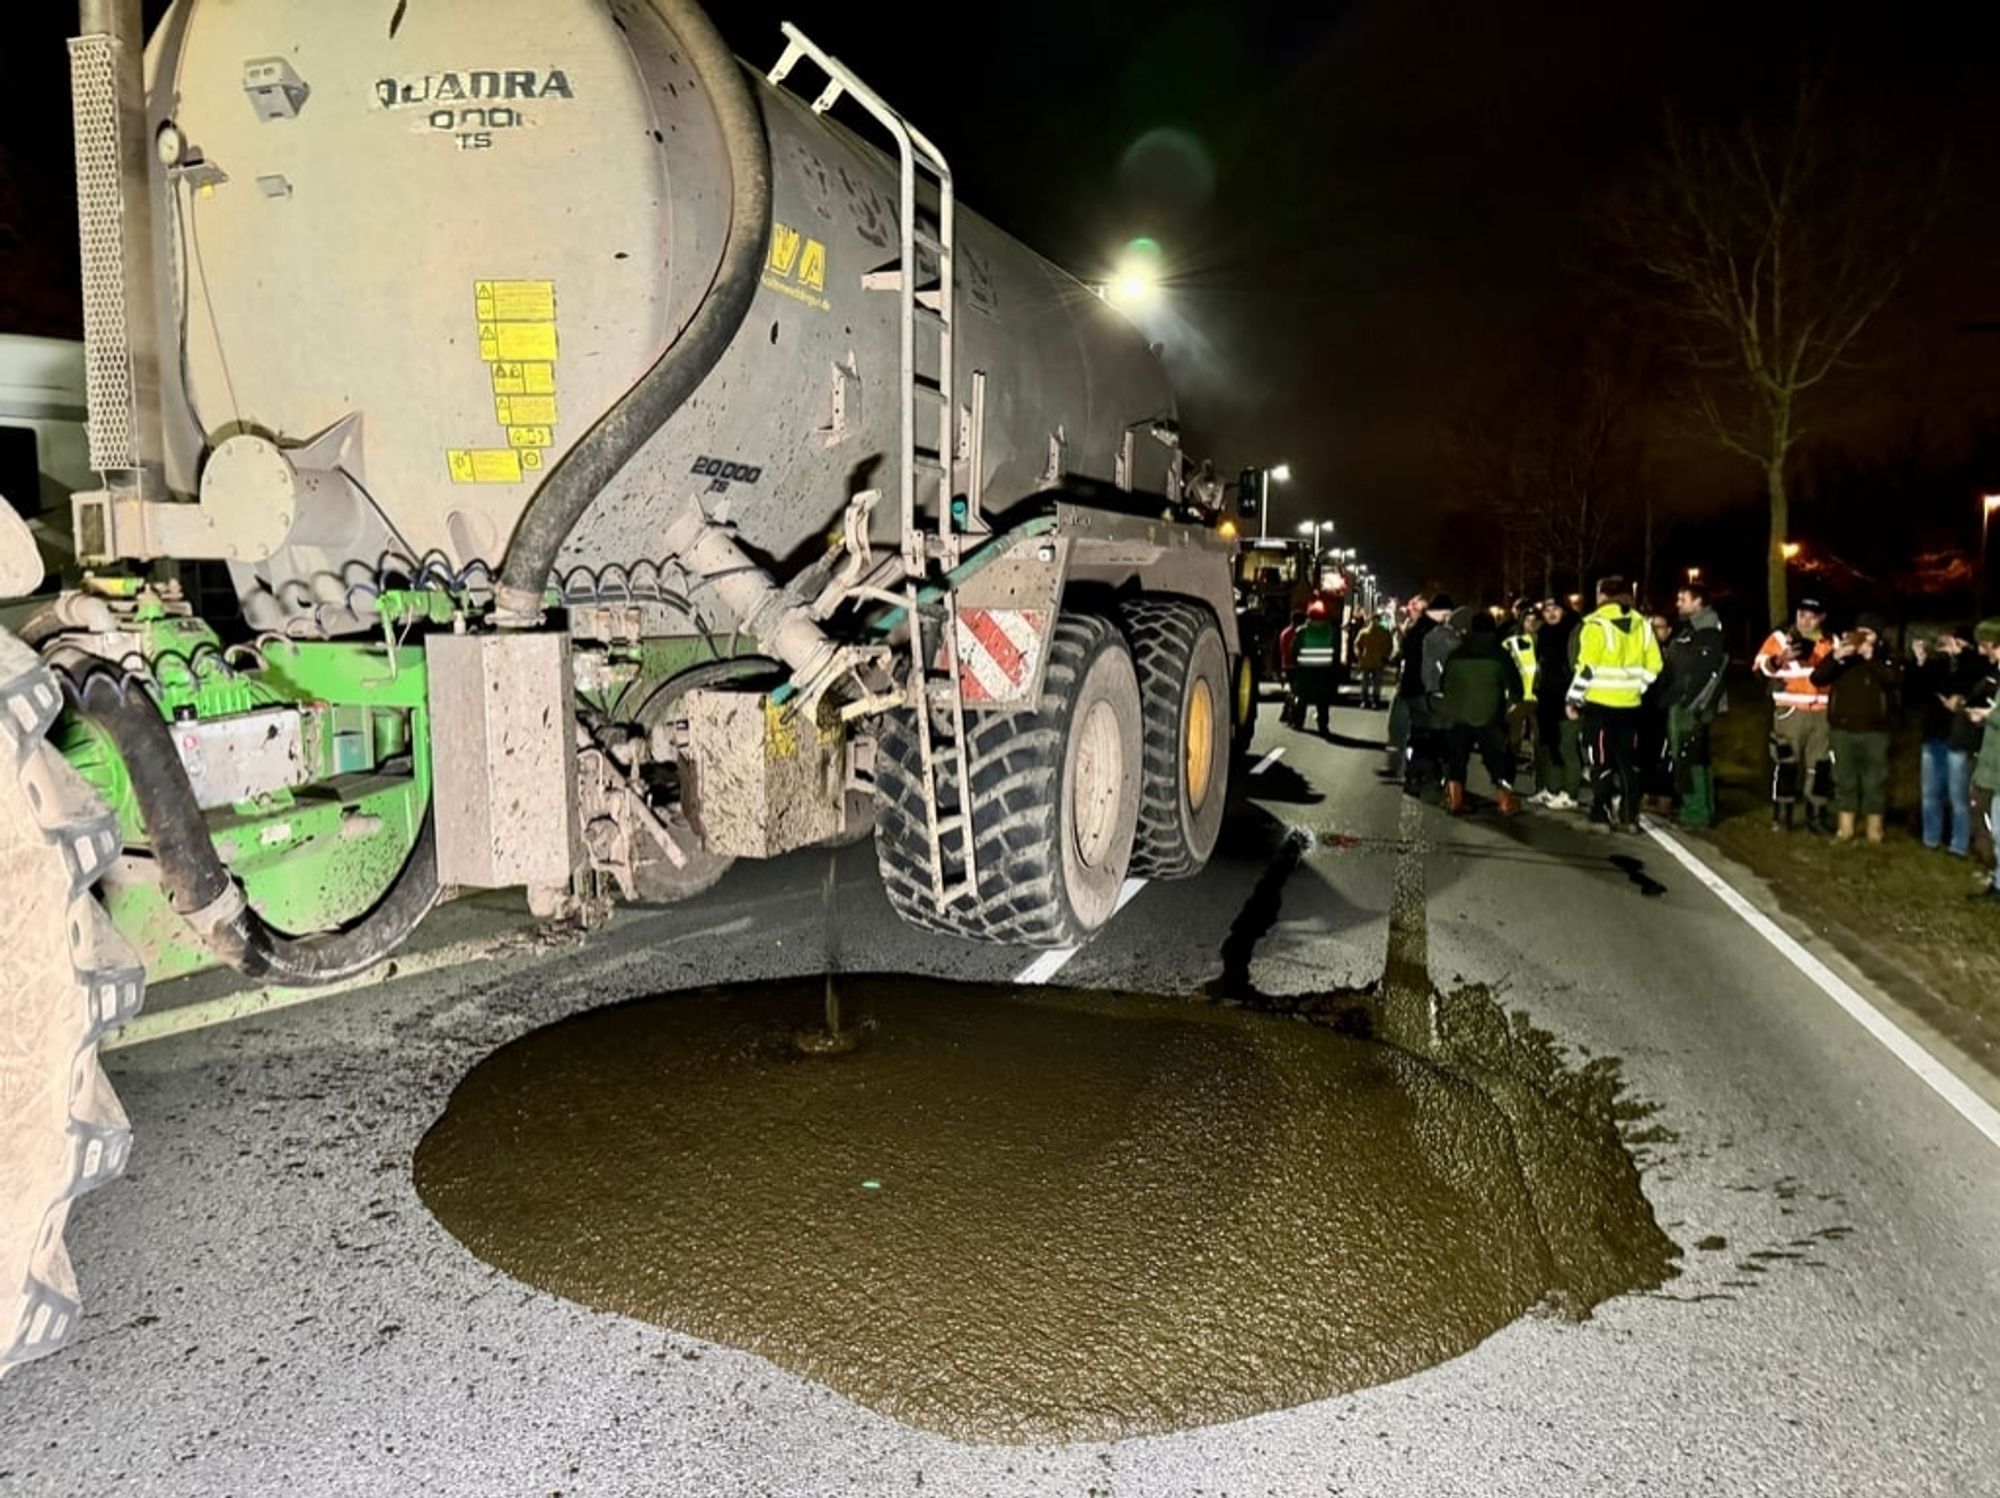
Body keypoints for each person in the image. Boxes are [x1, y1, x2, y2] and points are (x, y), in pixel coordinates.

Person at [1566, 575, 1662, 834]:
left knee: (1601, 761)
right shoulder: (1642, 625)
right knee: (1628, 762)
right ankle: (1630, 817)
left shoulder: (1596, 624)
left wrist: (1574, 699)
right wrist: (1637, 687)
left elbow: (1586, 668)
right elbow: (1655, 665)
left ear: (1603, 596)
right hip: (1630, 706)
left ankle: (1601, 815)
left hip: (1599, 705)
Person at [1810, 621, 1902, 844]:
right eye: (1858, 632)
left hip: (1875, 731)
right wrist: (1836, 656)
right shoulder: (1843, 658)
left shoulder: (1886, 656)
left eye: (1867, 633)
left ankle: (1874, 831)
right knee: (1844, 780)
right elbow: (1817, 678)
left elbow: (1894, 679)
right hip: (1843, 730)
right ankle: (1845, 830)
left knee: (1875, 782)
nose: (1861, 638)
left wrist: (1870, 657)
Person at [1755, 597, 1835, 833]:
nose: (1805, 621)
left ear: (1821, 618)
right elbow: (1759, 670)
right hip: (1790, 713)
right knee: (1786, 762)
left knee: (1820, 767)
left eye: (1811, 616)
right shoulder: (1779, 639)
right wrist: (1780, 659)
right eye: (1801, 615)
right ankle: (1782, 816)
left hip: (1821, 713)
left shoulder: (1831, 641)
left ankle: (1816, 816)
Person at [1440, 611, 1523, 816]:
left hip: (1458, 715)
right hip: (1489, 715)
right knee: (1496, 759)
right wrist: (1513, 702)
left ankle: (1455, 799)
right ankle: (1504, 800)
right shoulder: (1499, 654)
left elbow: (1444, 683)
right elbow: (1515, 686)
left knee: (1457, 758)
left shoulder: (1457, 654)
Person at [1660, 582, 1728, 829]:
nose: (1678, 603)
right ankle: (1702, 807)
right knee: (1695, 756)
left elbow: (1705, 673)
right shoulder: (1692, 628)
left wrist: (1689, 701)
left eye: (1683, 599)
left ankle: (1695, 811)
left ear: (1698, 601)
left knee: (1689, 756)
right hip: (1686, 701)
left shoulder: (1708, 630)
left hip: (1692, 705)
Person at [1911, 626, 1978, 857]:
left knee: (1958, 795)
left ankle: (1958, 845)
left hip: (1958, 738)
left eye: (1956, 642)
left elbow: (1966, 686)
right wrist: (1921, 661)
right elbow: (1917, 693)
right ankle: (1931, 838)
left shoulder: (1973, 665)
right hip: (1933, 735)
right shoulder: (1937, 665)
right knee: (1930, 792)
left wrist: (1960, 655)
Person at [1531, 598, 1583, 809]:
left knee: (1567, 746)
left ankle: (1570, 793)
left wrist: (1577, 698)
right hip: (1547, 697)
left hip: (1568, 696)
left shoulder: (1574, 632)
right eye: (1547, 610)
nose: (1551, 613)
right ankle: (1552, 788)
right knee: (1550, 745)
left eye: (1556, 609)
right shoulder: (1542, 634)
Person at [1967, 619, 2000, 904]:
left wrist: (1987, 716)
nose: (1984, 651)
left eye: (1987, 645)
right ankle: (1997, 882)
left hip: (1997, 768)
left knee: (1997, 827)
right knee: (1995, 827)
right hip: (1991, 762)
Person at [1384, 594, 1430, 778]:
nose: (1409, 614)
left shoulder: (1415, 632)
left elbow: (1403, 656)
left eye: (1412, 610)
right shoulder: (1433, 631)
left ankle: (1396, 767)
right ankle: (1416, 771)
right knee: (1419, 733)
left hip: (1411, 688)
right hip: (1422, 689)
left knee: (1398, 728)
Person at [1638, 611, 1677, 814]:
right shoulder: (1642, 653)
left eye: (1659, 627)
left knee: (1664, 756)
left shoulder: (1672, 653)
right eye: (1650, 627)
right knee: (1645, 753)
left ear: (1668, 631)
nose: (1653, 631)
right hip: (1645, 711)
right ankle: (1647, 791)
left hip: (1665, 711)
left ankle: (1664, 798)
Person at [1501, 599, 1539, 784]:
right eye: (1528, 619)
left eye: (1535, 619)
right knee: (1512, 742)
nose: (1531, 623)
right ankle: (1507, 782)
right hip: (1518, 697)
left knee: (1539, 744)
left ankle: (1541, 785)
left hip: (1538, 698)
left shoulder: (1543, 642)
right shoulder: (1511, 643)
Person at [1288, 599, 1340, 733]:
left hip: (1305, 670)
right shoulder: (1331, 631)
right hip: (1324, 671)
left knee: (1302, 698)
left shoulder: (1302, 631)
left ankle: (1298, 722)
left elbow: (1294, 650)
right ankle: (1323, 725)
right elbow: (1335, 651)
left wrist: (1296, 664)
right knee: (1322, 701)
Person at [1354, 611, 1394, 709]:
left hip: (1367, 660)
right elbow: (1389, 645)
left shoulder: (1364, 632)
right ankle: (1375, 701)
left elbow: (1357, 645)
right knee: (1376, 682)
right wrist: (1386, 656)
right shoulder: (1384, 632)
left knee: (1365, 682)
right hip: (1378, 660)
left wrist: (1359, 656)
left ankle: (1365, 700)